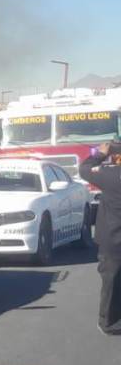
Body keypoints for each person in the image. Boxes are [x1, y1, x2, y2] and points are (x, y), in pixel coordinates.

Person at [80, 138, 121, 334]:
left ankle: (108, 322)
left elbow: (85, 169)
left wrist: (99, 154)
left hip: (112, 239)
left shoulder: (109, 175)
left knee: (111, 281)